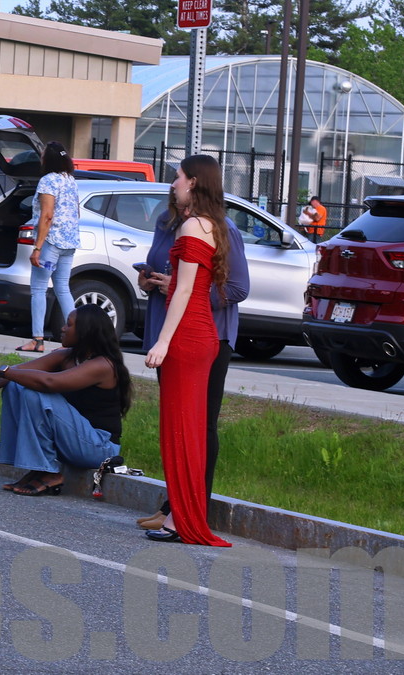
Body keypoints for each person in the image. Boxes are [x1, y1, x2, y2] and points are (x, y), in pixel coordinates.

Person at [135, 187, 249, 531]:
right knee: (177, 422)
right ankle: (174, 505)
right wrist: (148, 281)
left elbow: (237, 288)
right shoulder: (166, 222)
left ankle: (194, 511)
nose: (173, 185)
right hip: (169, 333)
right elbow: (163, 268)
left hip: (207, 334)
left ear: (196, 183)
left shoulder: (224, 228)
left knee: (201, 424)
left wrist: (182, 286)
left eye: (179, 178)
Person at [0, 304, 132, 494]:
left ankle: (48, 472)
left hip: (99, 448)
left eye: (69, 324)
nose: (62, 328)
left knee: (33, 392)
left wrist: (3, 372)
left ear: (85, 331)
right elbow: (17, 371)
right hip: (73, 441)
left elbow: (49, 382)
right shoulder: (66, 356)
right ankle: (38, 468)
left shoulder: (103, 365)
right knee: (16, 385)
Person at [18, 141, 79, 353]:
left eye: (43, 155)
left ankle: (37, 339)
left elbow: (47, 215)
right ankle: (79, 337)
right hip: (69, 242)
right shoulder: (70, 180)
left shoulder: (48, 181)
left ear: (48, 159)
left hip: (51, 242)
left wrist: (37, 247)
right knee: (63, 287)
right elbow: (76, 212)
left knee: (38, 288)